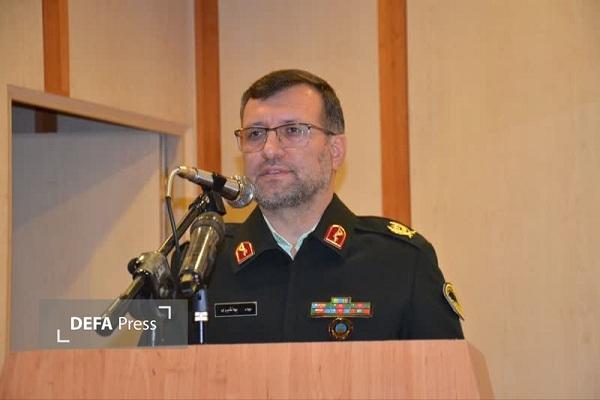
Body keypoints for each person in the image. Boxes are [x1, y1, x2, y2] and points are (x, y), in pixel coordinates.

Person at [195, 69, 464, 344]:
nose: (270, 150)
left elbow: (444, 370)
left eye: (292, 130)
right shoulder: (200, 266)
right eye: (254, 134)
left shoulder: (402, 263)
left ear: (335, 151)